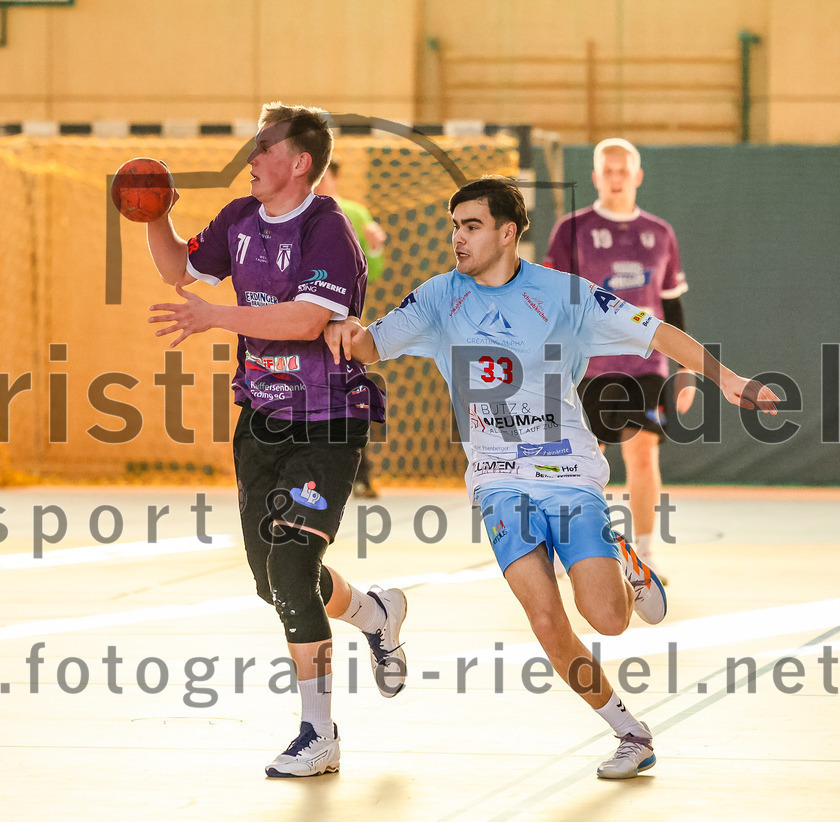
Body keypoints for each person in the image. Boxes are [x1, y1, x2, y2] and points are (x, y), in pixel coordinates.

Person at [325, 176, 778, 779]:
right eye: (455, 226)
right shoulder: (438, 297)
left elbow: (656, 330)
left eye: (471, 226)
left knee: (609, 619)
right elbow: (367, 346)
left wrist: (728, 379)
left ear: (507, 233)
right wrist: (337, 323)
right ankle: (630, 732)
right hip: (496, 479)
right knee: (545, 619)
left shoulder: (564, 294)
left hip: (566, 471)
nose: (458, 238)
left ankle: (626, 561)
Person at [145, 102, 407, 779]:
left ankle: (319, 733)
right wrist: (154, 217)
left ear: (299, 162)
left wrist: (215, 317)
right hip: (261, 418)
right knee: (274, 583)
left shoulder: (329, 229)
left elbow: (306, 320)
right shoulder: (239, 218)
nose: (251, 158)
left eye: (264, 147)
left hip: (328, 418)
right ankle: (375, 614)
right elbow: (179, 271)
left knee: (291, 570)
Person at [544, 138, 694, 579]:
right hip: (588, 367)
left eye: (623, 171)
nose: (615, 178)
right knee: (583, 462)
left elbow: (672, 305)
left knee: (644, 454)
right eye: (607, 171)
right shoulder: (571, 229)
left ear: (637, 176)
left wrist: (686, 368)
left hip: (646, 366)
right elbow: (551, 301)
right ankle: (577, 550)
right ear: (595, 177)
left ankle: (644, 554)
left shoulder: (659, 233)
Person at [314, 160, 387, 497]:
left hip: (343, 324)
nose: (317, 181)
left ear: (334, 177)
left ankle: (359, 474)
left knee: (349, 397)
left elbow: (374, 270)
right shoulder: (293, 212)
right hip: (305, 322)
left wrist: (375, 246)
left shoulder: (354, 213)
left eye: (323, 174)